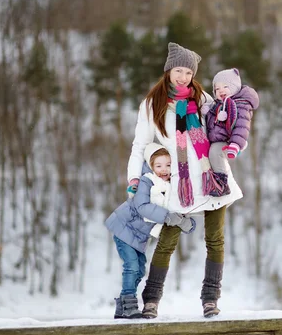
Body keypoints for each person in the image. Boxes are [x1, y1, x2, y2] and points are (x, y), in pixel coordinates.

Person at [126, 42, 244, 319]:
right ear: (168, 71)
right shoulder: (152, 104)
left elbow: (230, 125)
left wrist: (237, 144)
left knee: (215, 240)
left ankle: (210, 299)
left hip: (211, 176)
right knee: (167, 241)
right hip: (181, 183)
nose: (183, 77)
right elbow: (138, 144)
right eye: (179, 70)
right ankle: (151, 300)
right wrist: (133, 177)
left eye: (188, 73)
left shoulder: (202, 98)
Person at [106, 142, 196, 319]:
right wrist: (168, 217)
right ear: (151, 166)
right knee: (131, 266)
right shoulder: (146, 181)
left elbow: (175, 209)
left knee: (139, 270)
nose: (164, 169)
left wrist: (186, 222)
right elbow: (142, 207)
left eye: (168, 165)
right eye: (159, 165)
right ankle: (129, 304)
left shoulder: (172, 186)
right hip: (125, 227)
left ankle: (122, 306)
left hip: (138, 236)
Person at [200, 68, 259, 196]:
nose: (220, 90)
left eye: (225, 87)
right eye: (217, 89)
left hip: (230, 142)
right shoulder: (218, 105)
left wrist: (235, 145)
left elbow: (242, 127)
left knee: (216, 152)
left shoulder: (240, 105)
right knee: (211, 152)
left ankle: (221, 184)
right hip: (218, 140)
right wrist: (207, 111)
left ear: (235, 87)